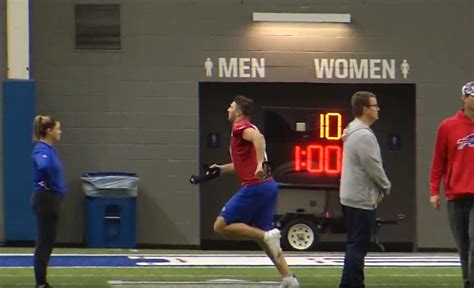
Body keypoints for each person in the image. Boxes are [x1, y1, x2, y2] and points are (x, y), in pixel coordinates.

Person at [211, 95, 300, 288]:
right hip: (268, 187)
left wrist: (261, 163)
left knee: (220, 226)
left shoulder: (240, 128)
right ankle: (289, 279)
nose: (228, 109)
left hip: (256, 187)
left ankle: (266, 236)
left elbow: (258, 138)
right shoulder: (245, 130)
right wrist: (220, 169)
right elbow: (241, 165)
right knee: (265, 237)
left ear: (239, 112)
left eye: (231, 106)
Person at [339, 91, 391, 288]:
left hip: (351, 197)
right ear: (365, 109)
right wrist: (386, 186)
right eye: (374, 105)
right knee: (358, 247)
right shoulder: (363, 135)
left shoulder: (352, 130)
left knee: (354, 245)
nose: (378, 109)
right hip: (361, 199)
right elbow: (373, 166)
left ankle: (349, 284)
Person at [430, 81, 474, 288]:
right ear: (464, 98)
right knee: (463, 246)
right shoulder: (448, 126)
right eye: (472, 95)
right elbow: (439, 161)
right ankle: (468, 282)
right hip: (456, 195)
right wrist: (434, 191)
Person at [32, 115, 67, 288]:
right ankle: (41, 283)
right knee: (44, 242)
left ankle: (42, 281)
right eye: (57, 128)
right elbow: (43, 166)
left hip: (52, 198)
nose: (60, 131)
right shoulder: (42, 149)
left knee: (48, 241)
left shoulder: (51, 149)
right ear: (49, 131)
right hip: (46, 199)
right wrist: (48, 184)